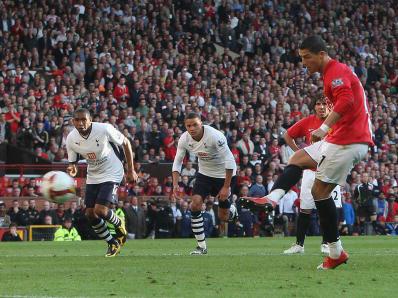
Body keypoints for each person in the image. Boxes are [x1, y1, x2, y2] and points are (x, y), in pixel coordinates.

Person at [242, 36, 373, 269]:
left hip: (349, 140)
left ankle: (335, 253)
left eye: (306, 57)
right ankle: (272, 199)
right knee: (297, 157)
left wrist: (323, 128)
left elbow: (346, 100)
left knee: (319, 192)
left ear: (321, 54)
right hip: (341, 137)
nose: (303, 63)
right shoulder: (332, 73)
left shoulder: (336, 70)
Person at [66, 108, 138, 257]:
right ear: (73, 122)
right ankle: (112, 243)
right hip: (93, 174)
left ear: (90, 120)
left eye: (84, 120)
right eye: (77, 120)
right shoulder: (71, 138)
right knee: (90, 214)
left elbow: (126, 143)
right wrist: (72, 169)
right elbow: (72, 163)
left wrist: (131, 170)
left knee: (101, 210)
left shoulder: (104, 129)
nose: (81, 123)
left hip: (113, 170)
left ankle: (119, 223)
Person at [282, 97, 342, 255]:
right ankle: (299, 245)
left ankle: (327, 243)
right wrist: (299, 153)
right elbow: (287, 135)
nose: (321, 107)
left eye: (325, 104)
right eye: (318, 103)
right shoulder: (308, 121)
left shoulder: (337, 121)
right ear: (314, 107)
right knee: (305, 209)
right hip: (311, 172)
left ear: (331, 107)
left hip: (331, 170)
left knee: (328, 209)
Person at [172, 113, 237, 254]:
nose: (192, 128)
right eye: (188, 125)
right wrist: (175, 184)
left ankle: (232, 210)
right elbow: (178, 161)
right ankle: (201, 247)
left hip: (224, 175)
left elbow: (230, 160)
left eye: (195, 124)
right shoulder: (184, 139)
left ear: (201, 123)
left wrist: (226, 187)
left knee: (223, 217)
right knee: (194, 204)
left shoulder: (215, 136)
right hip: (205, 174)